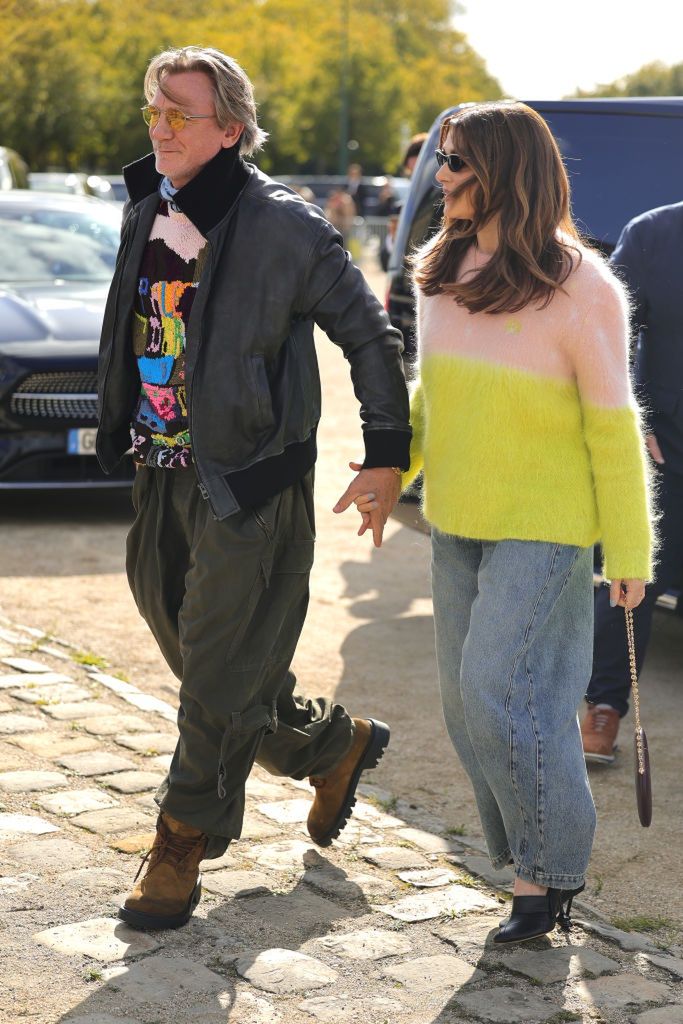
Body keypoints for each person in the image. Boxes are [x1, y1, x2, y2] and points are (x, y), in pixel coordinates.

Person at [95, 45, 411, 931]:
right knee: (203, 651)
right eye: (152, 112)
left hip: (249, 483)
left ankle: (181, 841)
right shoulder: (146, 208)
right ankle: (327, 743)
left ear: (229, 129)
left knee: (212, 674)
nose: (158, 128)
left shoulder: (287, 225)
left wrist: (385, 452)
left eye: (178, 115)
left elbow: (370, 335)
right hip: (158, 466)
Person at [393, 101, 654, 944]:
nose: (442, 176)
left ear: (507, 171)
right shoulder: (438, 267)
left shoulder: (582, 286)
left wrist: (629, 548)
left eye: (458, 162)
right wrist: (389, 472)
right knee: (466, 708)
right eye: (443, 159)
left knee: (498, 691)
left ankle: (546, 879)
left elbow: (611, 428)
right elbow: (433, 394)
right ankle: (525, 865)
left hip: (545, 524)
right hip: (457, 518)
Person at [581, 202, 683, 762]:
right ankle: (605, 708)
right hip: (666, 448)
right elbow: (603, 330)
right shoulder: (654, 233)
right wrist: (630, 415)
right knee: (628, 579)